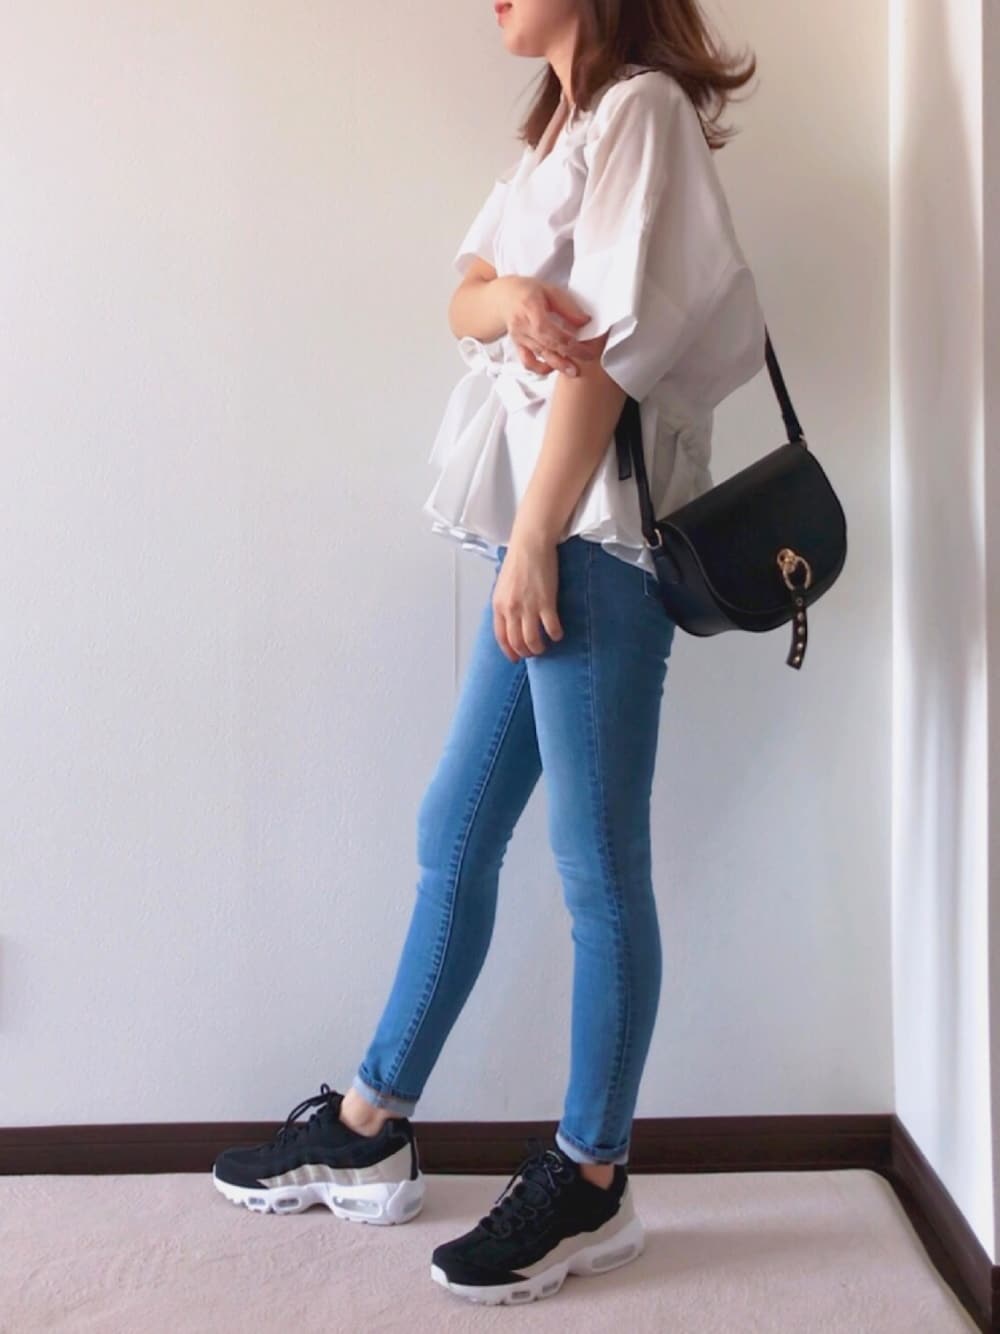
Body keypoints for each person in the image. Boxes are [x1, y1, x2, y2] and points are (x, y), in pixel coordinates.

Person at [213, 0, 766, 1308]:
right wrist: (512, 295)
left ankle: (592, 1177)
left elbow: (611, 358)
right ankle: (370, 1125)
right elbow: (463, 297)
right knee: (454, 827)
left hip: (589, 542)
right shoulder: (559, 131)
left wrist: (532, 542)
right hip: (542, 539)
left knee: (597, 869)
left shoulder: (642, 114)